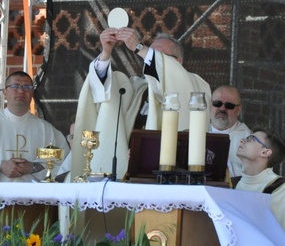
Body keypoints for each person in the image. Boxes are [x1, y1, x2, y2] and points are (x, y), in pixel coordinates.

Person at [72, 28, 211, 179]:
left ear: (178, 61)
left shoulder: (194, 83)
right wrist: (106, 53)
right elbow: (105, 94)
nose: (148, 59)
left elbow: (170, 76)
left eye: (160, 56)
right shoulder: (137, 87)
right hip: (125, 171)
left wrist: (139, 47)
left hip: (164, 174)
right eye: (150, 55)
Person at [0, 72, 70, 182]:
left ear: (32, 93)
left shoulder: (47, 131)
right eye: (15, 86)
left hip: (34, 198)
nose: (21, 91)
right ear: (5, 92)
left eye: (27, 87)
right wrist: (0, 166)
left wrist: (33, 167)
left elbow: (66, 167)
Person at [209, 85, 251, 181]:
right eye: (217, 103)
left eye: (229, 105)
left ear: (239, 109)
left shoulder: (249, 139)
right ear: (210, 105)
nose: (222, 109)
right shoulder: (196, 133)